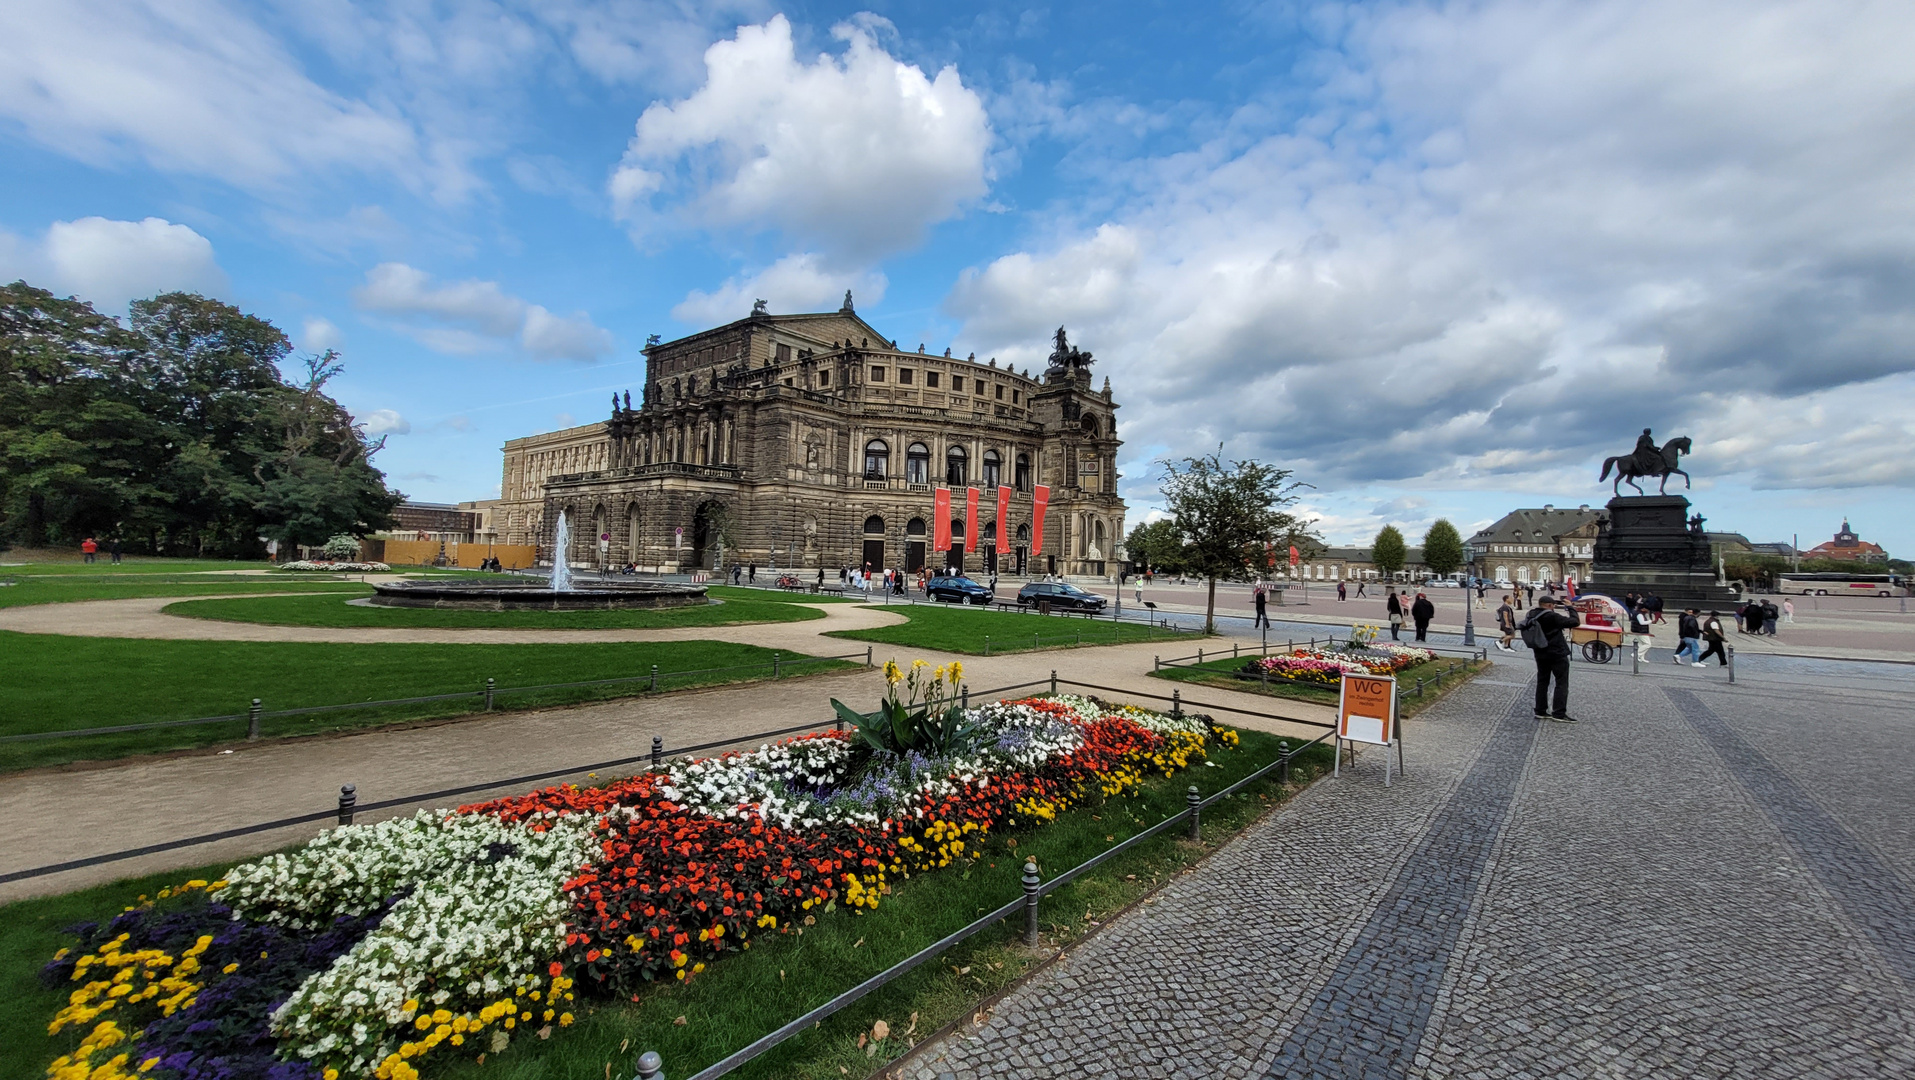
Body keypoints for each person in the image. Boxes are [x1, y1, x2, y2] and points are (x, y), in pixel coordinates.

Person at [1517, 595, 1582, 722]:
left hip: (1540, 652)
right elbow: (1575, 622)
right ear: (1550, 605)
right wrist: (1570, 607)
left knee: (1542, 681)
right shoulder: (1551, 616)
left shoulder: (1531, 614)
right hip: (1556, 652)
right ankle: (1559, 713)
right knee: (1561, 682)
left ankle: (1540, 710)